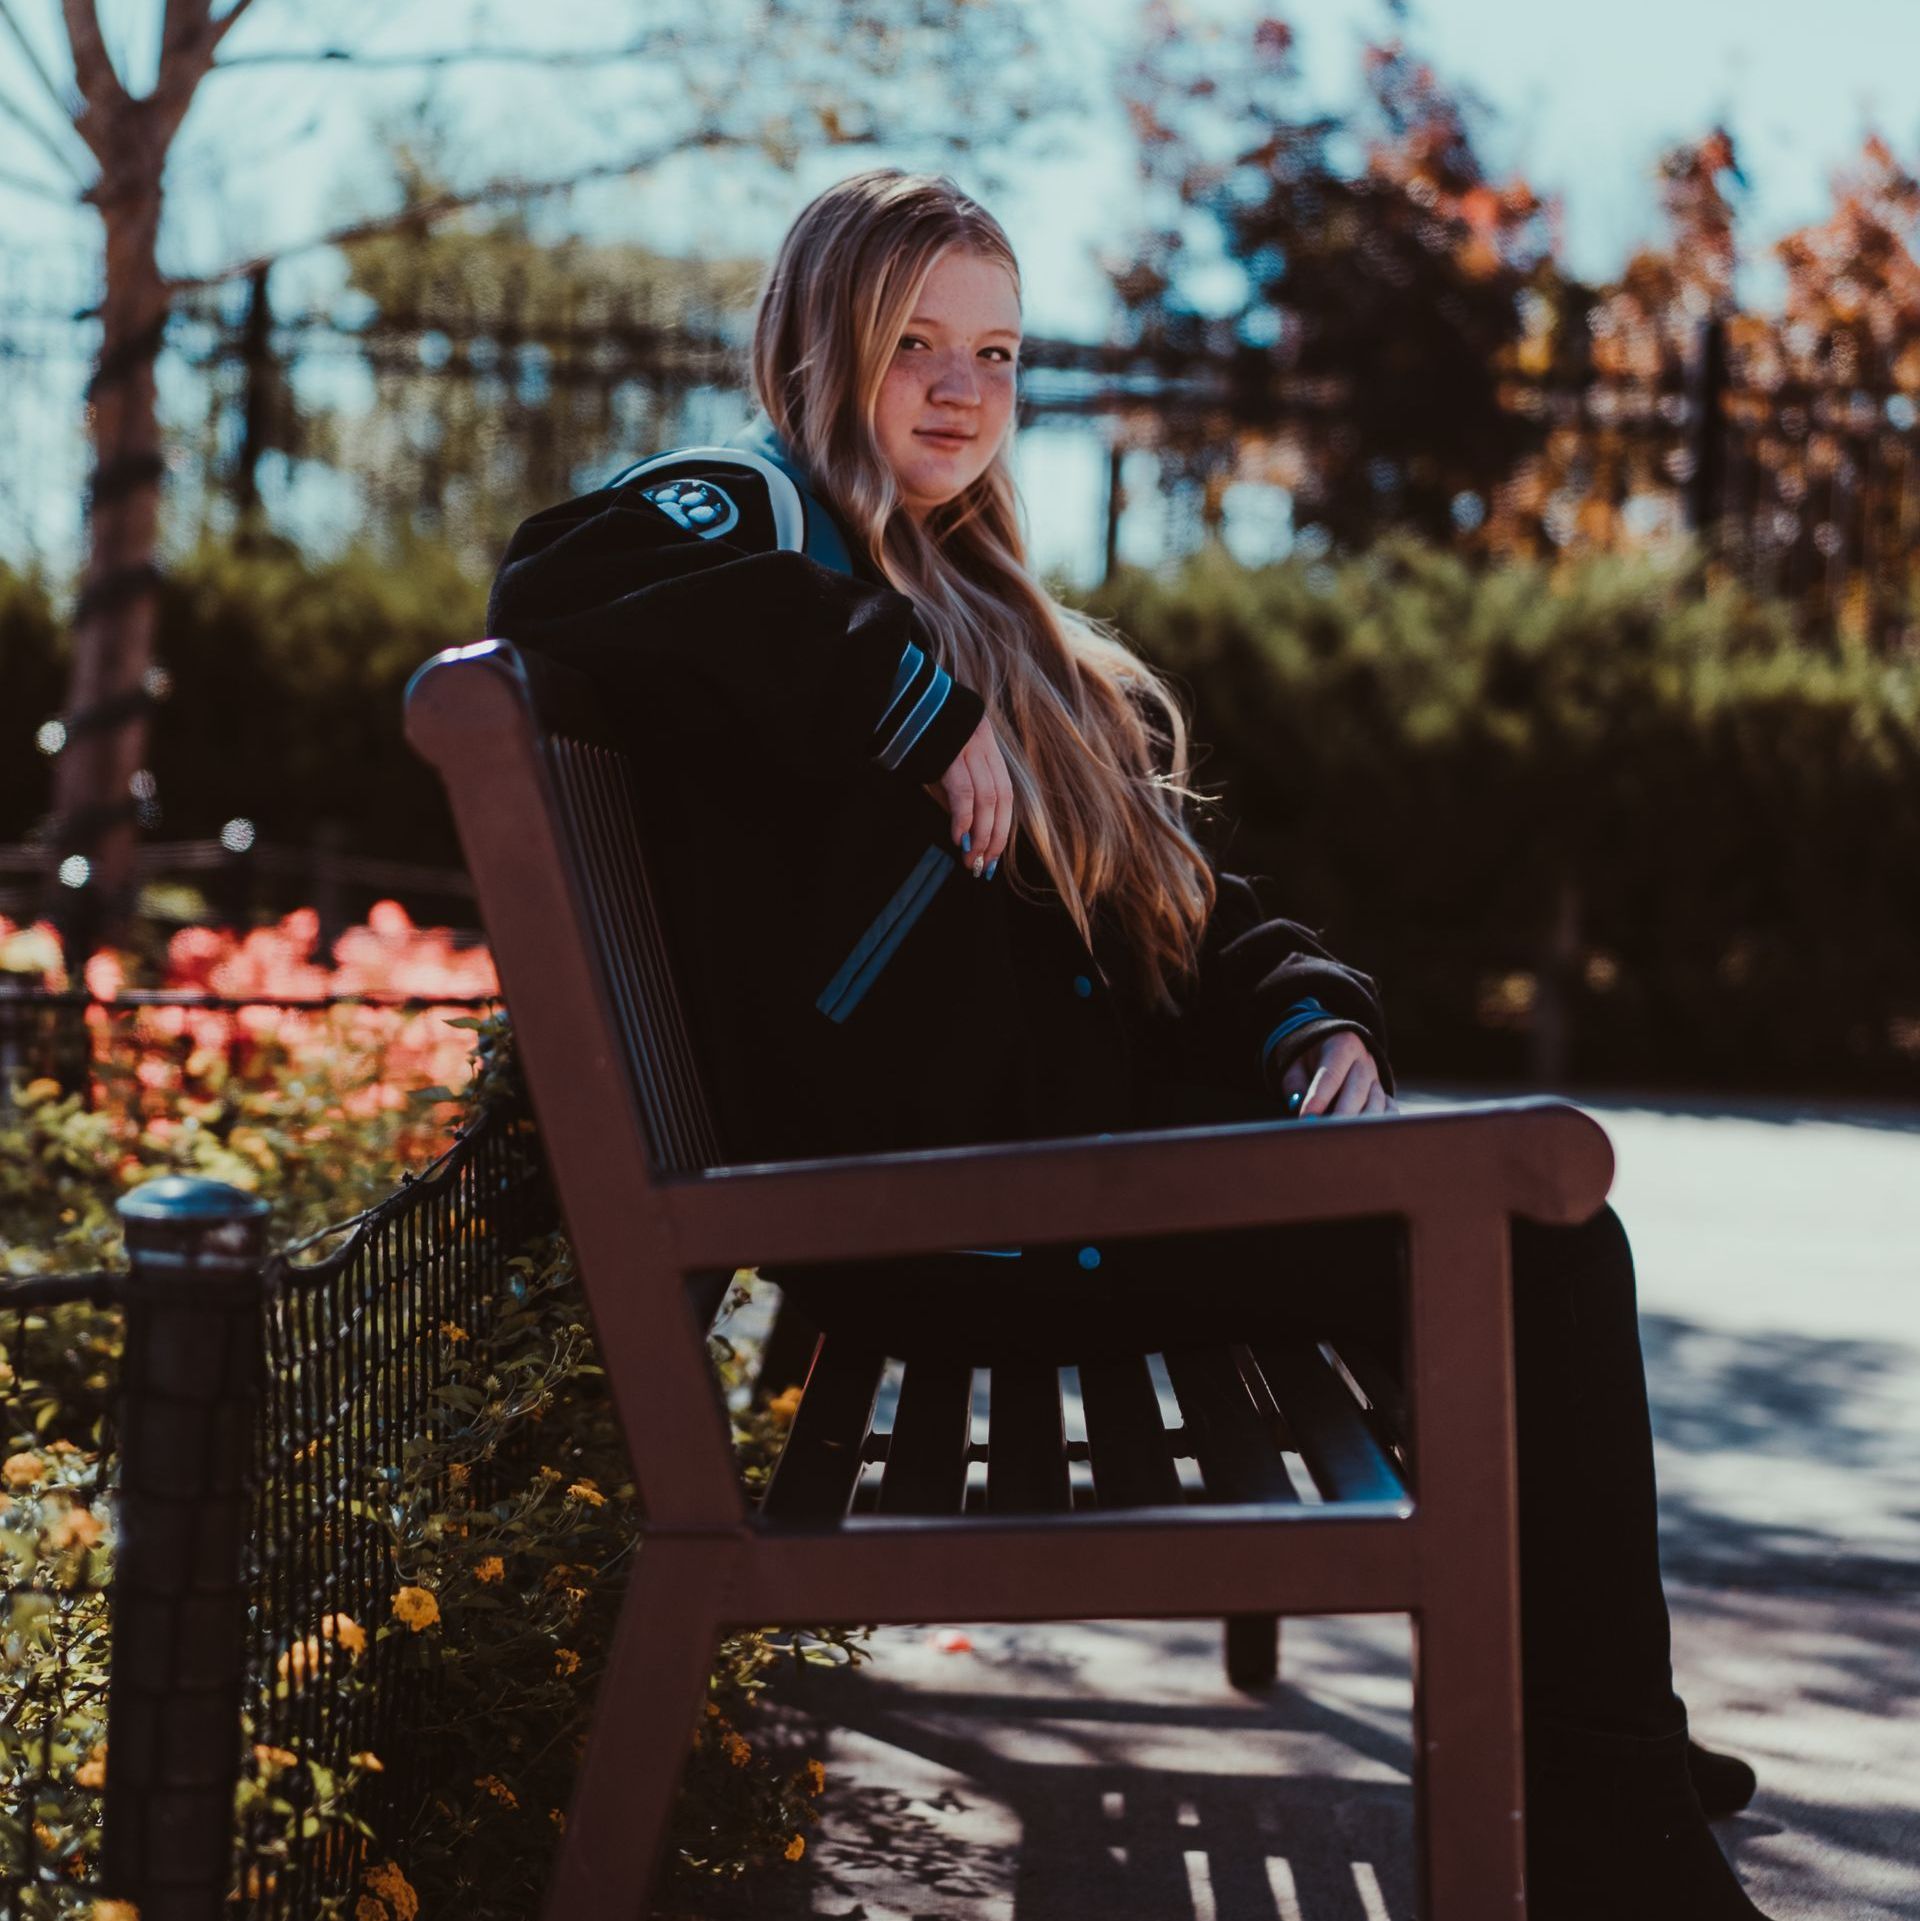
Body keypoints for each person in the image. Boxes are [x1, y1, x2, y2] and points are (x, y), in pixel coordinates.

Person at [487, 169, 1774, 1920]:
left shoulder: (971, 598)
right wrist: (910, 701)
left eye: (998, 354)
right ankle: (1609, 1799)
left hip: (1018, 1168)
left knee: (1540, 1231)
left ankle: (1604, 1725)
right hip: (956, 1215)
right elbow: (558, 570)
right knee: (1539, 1239)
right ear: (812, 345)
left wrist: (1310, 1013)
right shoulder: (756, 521)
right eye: (913, 345)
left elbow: (1181, 892)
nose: (961, 390)